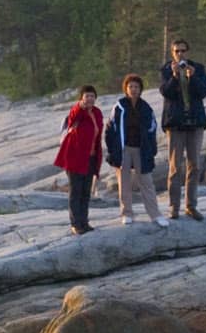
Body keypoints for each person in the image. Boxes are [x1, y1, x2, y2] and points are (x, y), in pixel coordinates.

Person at [158, 37, 206, 220]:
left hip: (195, 122)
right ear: (172, 53)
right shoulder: (166, 70)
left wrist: (193, 77)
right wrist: (174, 77)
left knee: (194, 165)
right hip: (175, 123)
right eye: (176, 51)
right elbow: (165, 92)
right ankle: (173, 207)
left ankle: (191, 205)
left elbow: (205, 91)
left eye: (183, 50)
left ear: (187, 52)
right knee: (175, 167)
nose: (180, 54)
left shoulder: (198, 68)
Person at [105, 74, 168, 228]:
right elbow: (110, 129)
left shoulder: (146, 108)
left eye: (136, 87)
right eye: (131, 87)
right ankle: (126, 213)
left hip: (141, 149)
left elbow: (152, 129)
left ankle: (155, 214)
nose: (133, 89)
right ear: (126, 89)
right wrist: (113, 150)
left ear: (141, 90)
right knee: (124, 183)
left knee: (146, 183)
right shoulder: (119, 106)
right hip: (123, 150)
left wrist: (151, 149)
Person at [53, 85, 105, 235]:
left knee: (85, 192)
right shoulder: (78, 112)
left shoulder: (97, 113)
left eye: (92, 96)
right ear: (81, 99)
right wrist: (79, 107)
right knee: (76, 192)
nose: (89, 99)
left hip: (91, 157)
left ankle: (84, 221)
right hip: (75, 158)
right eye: (86, 96)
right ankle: (76, 224)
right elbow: (72, 118)